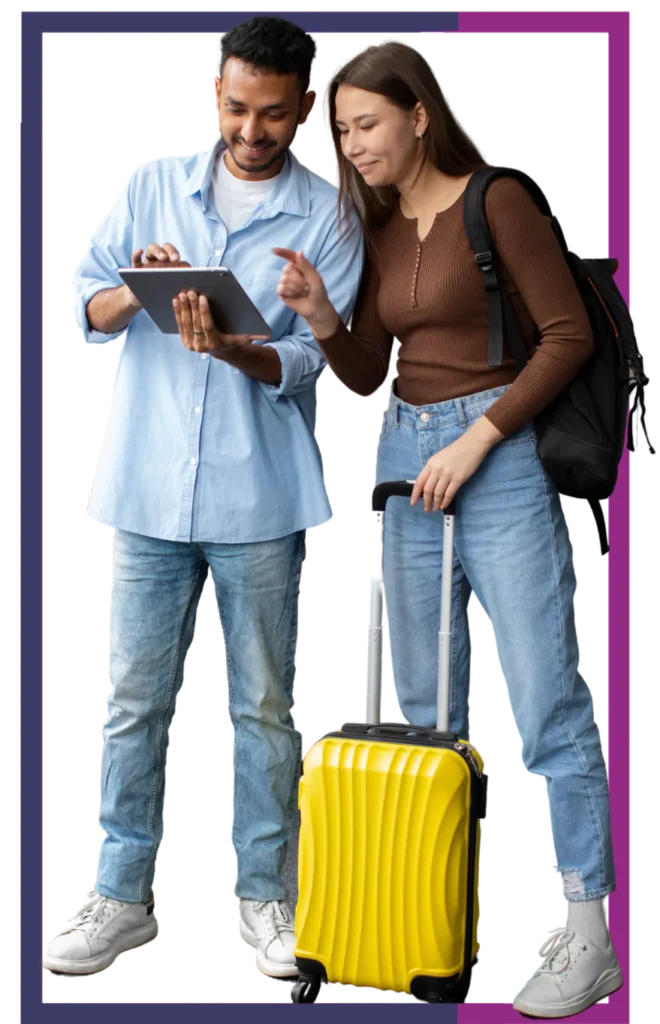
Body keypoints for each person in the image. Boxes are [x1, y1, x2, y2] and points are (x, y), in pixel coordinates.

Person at [273, 37, 623, 1018]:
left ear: (420, 114)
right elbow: (367, 372)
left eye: (368, 125)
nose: (353, 146)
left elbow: (569, 336)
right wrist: (317, 314)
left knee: (548, 696)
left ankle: (586, 929)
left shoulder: (493, 197)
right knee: (428, 714)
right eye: (342, 131)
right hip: (404, 461)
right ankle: (431, 917)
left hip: (497, 455)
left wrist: (479, 441)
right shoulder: (379, 227)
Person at [42, 17, 363, 980]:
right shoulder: (150, 183)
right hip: (144, 491)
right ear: (213, 92)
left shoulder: (330, 212)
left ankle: (265, 900)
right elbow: (82, 301)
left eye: (273, 114)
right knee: (132, 702)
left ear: (306, 108)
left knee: (263, 707)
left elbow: (322, 357)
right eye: (235, 107)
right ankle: (120, 898)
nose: (251, 130)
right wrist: (134, 292)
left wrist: (237, 346)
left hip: (258, 498)